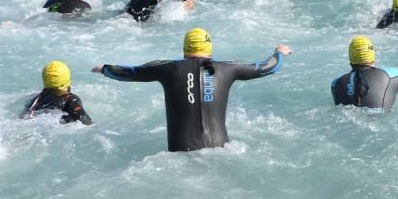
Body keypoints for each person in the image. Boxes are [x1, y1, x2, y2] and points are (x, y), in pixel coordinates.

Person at [93, 28, 291, 152]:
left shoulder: (167, 68)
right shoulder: (228, 69)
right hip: (223, 152)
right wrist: (279, 52)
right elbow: (269, 67)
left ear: (185, 50)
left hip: (181, 155)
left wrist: (105, 69)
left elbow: (131, 72)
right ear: (210, 50)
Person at [331, 36, 398, 110]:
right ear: (373, 58)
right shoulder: (390, 75)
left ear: (351, 61)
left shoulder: (336, 83)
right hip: (380, 121)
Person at [21, 61, 92, 125]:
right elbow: (86, 122)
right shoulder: (70, 100)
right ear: (68, 79)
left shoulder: (35, 100)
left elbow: (23, 120)